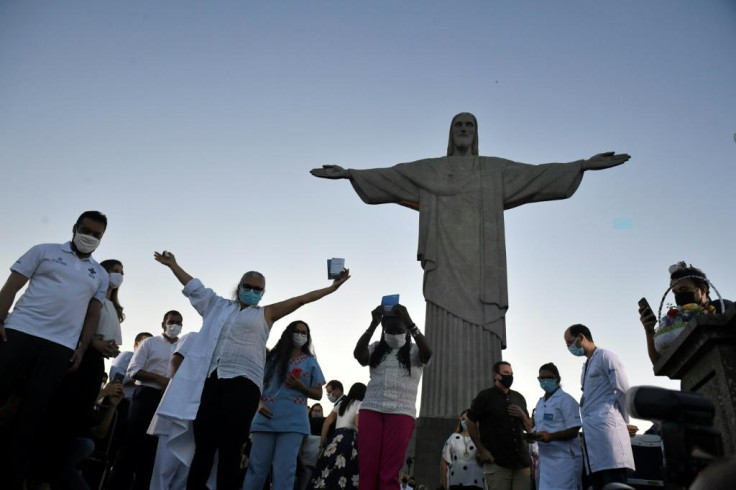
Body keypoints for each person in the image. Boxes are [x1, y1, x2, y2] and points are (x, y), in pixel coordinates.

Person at [311, 112, 630, 417]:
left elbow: (536, 174)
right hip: (444, 265)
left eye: (470, 125)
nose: (464, 129)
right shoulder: (430, 170)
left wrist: (583, 166)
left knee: (480, 331)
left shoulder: (493, 170)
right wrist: (350, 174)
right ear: (451, 133)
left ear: (476, 133)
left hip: (482, 269)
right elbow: (394, 175)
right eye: (458, 124)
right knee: (442, 333)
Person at [148, 251, 350, 490]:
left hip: (245, 386)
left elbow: (301, 299)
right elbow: (194, 286)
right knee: (204, 447)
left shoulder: (266, 314)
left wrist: (332, 289)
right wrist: (173, 265)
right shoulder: (217, 305)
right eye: (249, 286)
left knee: (231, 449)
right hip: (212, 381)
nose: (252, 291)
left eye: (258, 289)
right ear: (239, 286)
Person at [0, 210, 109, 488]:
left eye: (97, 235)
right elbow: (12, 286)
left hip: (59, 348)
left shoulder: (99, 274)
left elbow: (92, 315)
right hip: (20, 333)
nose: (90, 237)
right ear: (75, 228)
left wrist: (82, 348)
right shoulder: (44, 251)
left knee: (33, 415)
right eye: (86, 230)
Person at [354, 304, 432, 490]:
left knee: (389, 471)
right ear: (383, 331)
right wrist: (373, 324)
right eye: (389, 330)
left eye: (399, 329)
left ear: (406, 330)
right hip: (371, 410)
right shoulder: (376, 348)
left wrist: (411, 322)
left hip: (401, 413)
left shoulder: (414, 350)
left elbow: (428, 353)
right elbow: (359, 355)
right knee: (367, 468)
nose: (394, 333)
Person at [244, 321, 325, 490]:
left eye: (304, 333)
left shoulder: (310, 362)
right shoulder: (271, 359)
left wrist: (301, 387)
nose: (300, 335)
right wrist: (259, 404)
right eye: (297, 331)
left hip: (293, 422)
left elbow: (319, 394)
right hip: (265, 417)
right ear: (288, 333)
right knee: (256, 468)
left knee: (285, 470)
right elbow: (255, 383)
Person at [108, 310, 183, 490]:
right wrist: (159, 379)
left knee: (153, 451)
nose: (175, 326)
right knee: (131, 446)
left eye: (179, 323)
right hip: (146, 396)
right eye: (171, 321)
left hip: (167, 401)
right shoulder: (150, 343)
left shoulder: (183, 347)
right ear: (163, 324)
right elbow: (133, 370)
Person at [563, 324, 634, 490]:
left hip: (609, 436)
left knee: (614, 484)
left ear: (581, 337)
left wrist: (624, 424)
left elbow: (623, 391)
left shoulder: (606, 357)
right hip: (593, 438)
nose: (569, 348)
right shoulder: (586, 366)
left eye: (569, 343)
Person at [639, 261, 733, 365]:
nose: (679, 295)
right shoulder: (675, 319)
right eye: (675, 292)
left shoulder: (722, 307)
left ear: (702, 290)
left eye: (684, 289)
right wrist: (649, 330)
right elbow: (659, 362)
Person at [466, 361, 532, 490]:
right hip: (497, 462)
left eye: (511, 373)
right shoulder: (485, 396)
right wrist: (481, 450)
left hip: (521, 463)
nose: (510, 376)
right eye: (506, 373)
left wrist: (522, 415)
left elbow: (529, 428)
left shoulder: (519, 397)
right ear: (496, 376)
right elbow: (470, 421)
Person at [530, 363, 582, 490]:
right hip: (545, 460)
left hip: (564, 460)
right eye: (542, 378)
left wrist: (552, 437)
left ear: (557, 379)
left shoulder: (567, 400)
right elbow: (538, 427)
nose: (545, 381)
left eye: (549, 378)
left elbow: (574, 430)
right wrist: (532, 436)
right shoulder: (540, 403)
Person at [311, 382, 366, 490]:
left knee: (326, 471)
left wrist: (323, 443)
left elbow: (327, 422)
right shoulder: (360, 403)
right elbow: (357, 422)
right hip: (349, 440)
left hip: (335, 439)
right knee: (344, 473)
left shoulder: (341, 404)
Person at [441, 410, 484, 490]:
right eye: (463, 419)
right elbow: (445, 461)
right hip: (456, 482)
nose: (465, 422)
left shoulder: (481, 440)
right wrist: (443, 483)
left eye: (469, 419)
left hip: (476, 482)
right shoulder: (453, 438)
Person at [110, 331, 154, 399]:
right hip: (120, 401)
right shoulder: (127, 356)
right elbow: (116, 377)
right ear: (136, 344)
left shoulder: (149, 362)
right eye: (146, 343)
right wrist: (146, 379)